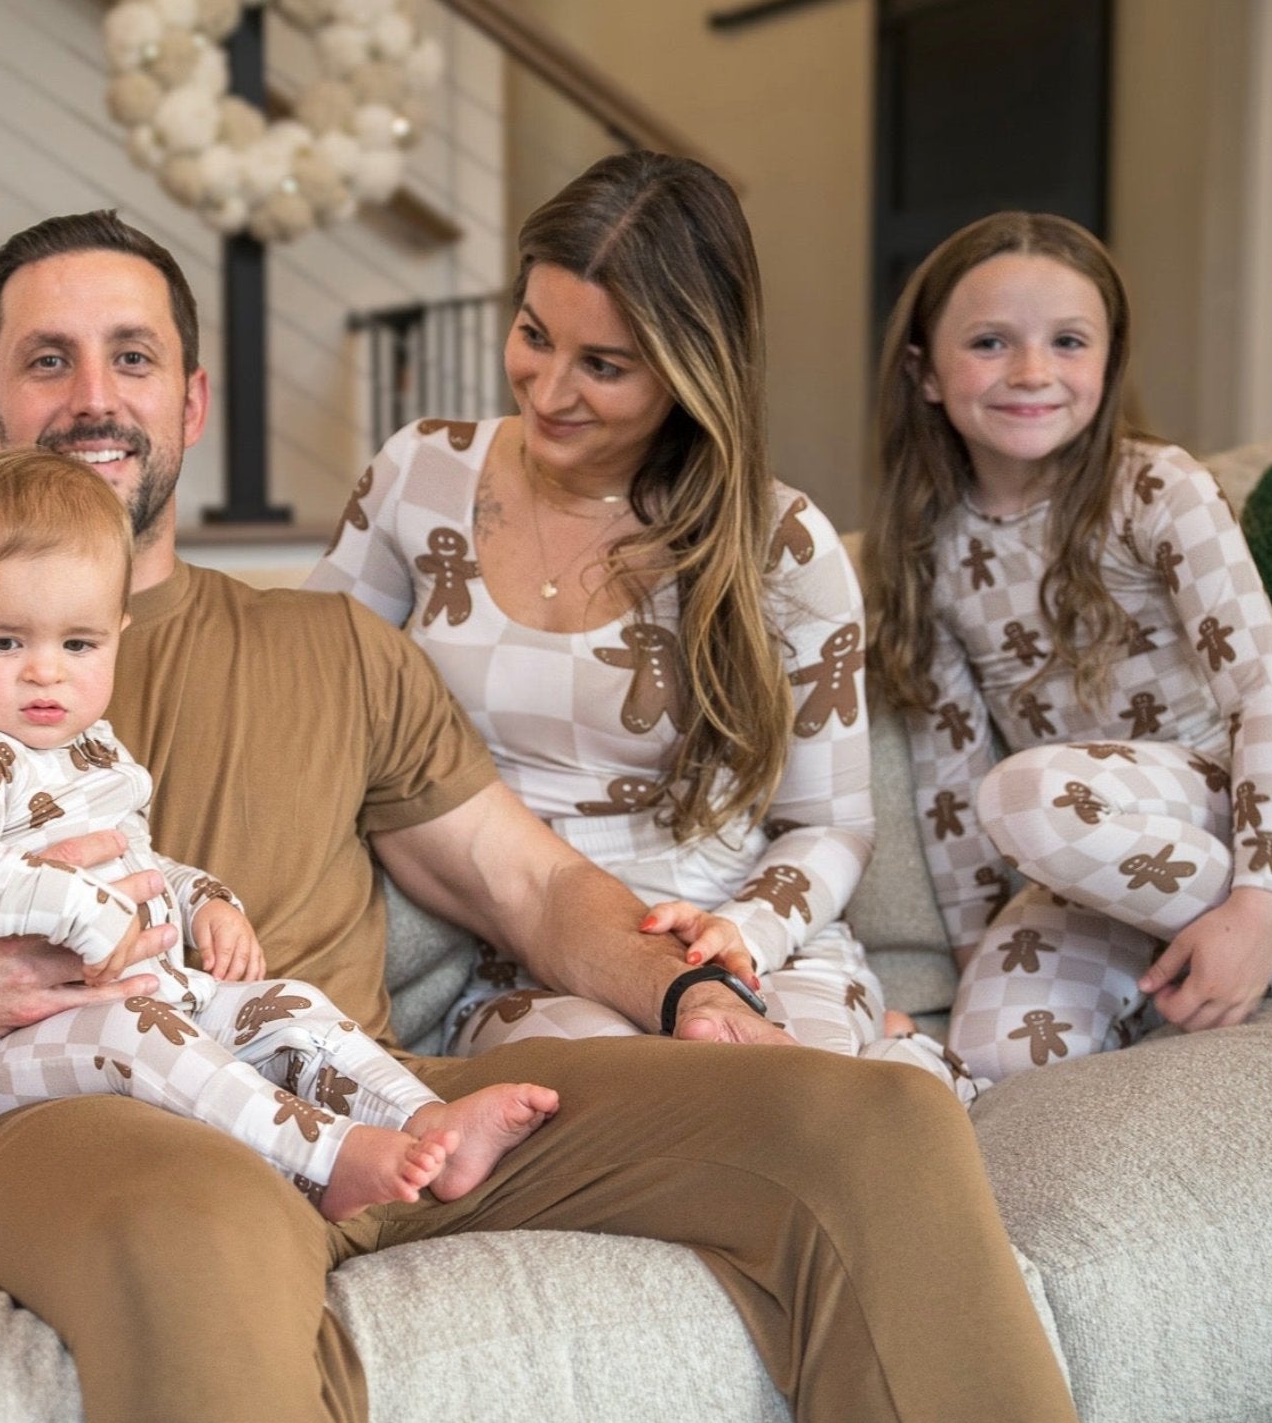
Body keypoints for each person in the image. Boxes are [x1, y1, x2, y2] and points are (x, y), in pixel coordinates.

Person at [0, 209, 1095, 1423]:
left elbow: (523, 883)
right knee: (195, 1232)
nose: (92, 397)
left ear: (190, 402)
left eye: (131, 357)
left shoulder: (329, 646)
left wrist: (688, 991)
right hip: (98, 1118)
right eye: (45, 360)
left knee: (866, 1126)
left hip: (371, 1096)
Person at [305, 150, 973, 1099]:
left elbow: (830, 825)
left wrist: (746, 932)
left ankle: (898, 1068)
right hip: (530, 959)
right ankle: (902, 1069)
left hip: (743, 939)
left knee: (801, 1111)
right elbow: (309, 691)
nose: (548, 390)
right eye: (534, 335)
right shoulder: (420, 475)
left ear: (689, 371)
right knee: (643, 1108)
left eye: (604, 366)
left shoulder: (780, 543)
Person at [0, 447, 557, 1218]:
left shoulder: (95, 751)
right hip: (5, 1055)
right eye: (7, 643)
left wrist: (204, 900)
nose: (46, 671)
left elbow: (138, 864)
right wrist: (75, 907)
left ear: (117, 634)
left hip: (158, 997)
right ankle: (328, 1160)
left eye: (78, 644)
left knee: (288, 1003)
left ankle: (425, 1120)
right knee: (139, 1030)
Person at [865, 211, 1272, 1083]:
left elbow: (1263, 689)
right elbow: (949, 778)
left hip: (1220, 811)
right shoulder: (926, 546)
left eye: (1067, 341)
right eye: (989, 342)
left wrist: (1257, 899)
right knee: (992, 1058)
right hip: (1085, 860)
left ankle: (1258, 937)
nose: (1032, 372)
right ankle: (1181, 964)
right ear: (925, 373)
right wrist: (980, 955)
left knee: (1024, 794)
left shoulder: (1159, 487)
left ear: (1109, 361)